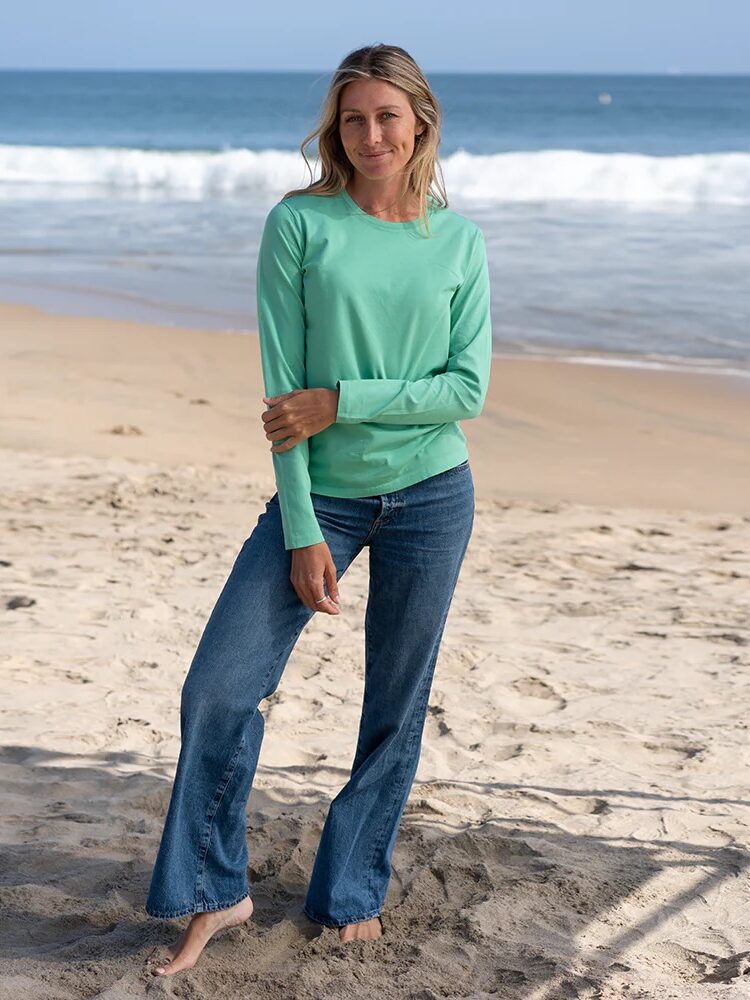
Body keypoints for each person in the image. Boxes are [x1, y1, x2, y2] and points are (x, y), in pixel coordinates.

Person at [144, 42, 492, 976]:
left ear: (419, 120)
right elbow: (281, 392)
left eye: (387, 115)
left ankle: (352, 888)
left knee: (395, 702)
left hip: (432, 494)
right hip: (323, 497)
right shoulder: (300, 225)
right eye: (352, 118)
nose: (371, 134)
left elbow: (466, 389)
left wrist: (345, 401)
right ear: (334, 130)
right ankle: (217, 893)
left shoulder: (457, 241)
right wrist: (302, 526)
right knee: (219, 685)